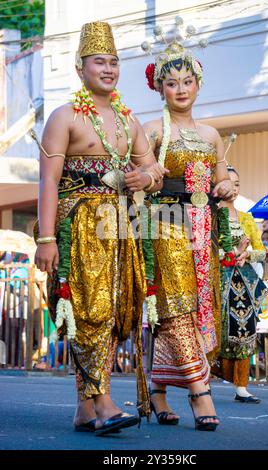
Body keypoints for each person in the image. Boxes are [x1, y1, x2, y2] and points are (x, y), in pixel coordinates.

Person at [34, 21, 167, 436]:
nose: (108, 69)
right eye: (99, 62)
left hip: (119, 227)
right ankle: (104, 403)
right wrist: (46, 238)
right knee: (88, 312)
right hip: (78, 228)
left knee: (112, 315)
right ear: (80, 68)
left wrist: (145, 179)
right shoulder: (64, 116)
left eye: (114, 62)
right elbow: (48, 181)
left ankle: (84, 409)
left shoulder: (129, 120)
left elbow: (154, 169)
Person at [142, 38, 234, 431]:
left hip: (205, 231)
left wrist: (230, 187)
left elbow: (224, 182)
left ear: (198, 84)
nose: (180, 89)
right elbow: (137, 184)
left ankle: (157, 388)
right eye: (172, 83)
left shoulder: (213, 135)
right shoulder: (150, 130)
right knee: (177, 305)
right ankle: (200, 391)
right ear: (160, 88)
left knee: (199, 309)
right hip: (164, 225)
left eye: (186, 81)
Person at [216, 166, 268, 403]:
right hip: (219, 282)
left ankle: (241, 386)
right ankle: (202, 382)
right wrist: (231, 253)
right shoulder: (211, 215)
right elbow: (205, 251)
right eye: (230, 183)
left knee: (246, 330)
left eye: (238, 183)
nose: (234, 188)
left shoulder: (247, 218)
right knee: (217, 332)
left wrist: (247, 255)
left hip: (244, 283)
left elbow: (261, 252)